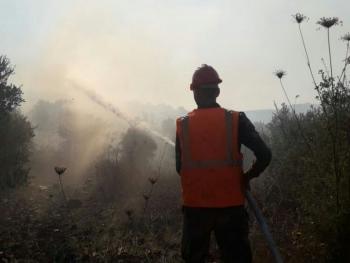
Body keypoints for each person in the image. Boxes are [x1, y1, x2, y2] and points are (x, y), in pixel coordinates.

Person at [175, 64, 272, 263]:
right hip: (231, 207)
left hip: (195, 209)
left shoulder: (183, 124)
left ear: (194, 93)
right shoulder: (236, 120)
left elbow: (180, 167)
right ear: (217, 91)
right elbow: (264, 154)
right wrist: (247, 177)